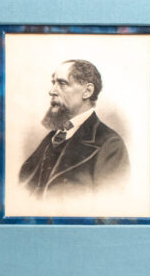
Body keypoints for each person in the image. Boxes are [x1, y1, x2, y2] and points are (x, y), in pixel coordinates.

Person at [19, 59, 128, 199]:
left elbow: (109, 202)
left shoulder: (111, 144)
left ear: (87, 91)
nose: (52, 91)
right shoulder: (53, 137)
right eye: (53, 83)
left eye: (62, 83)